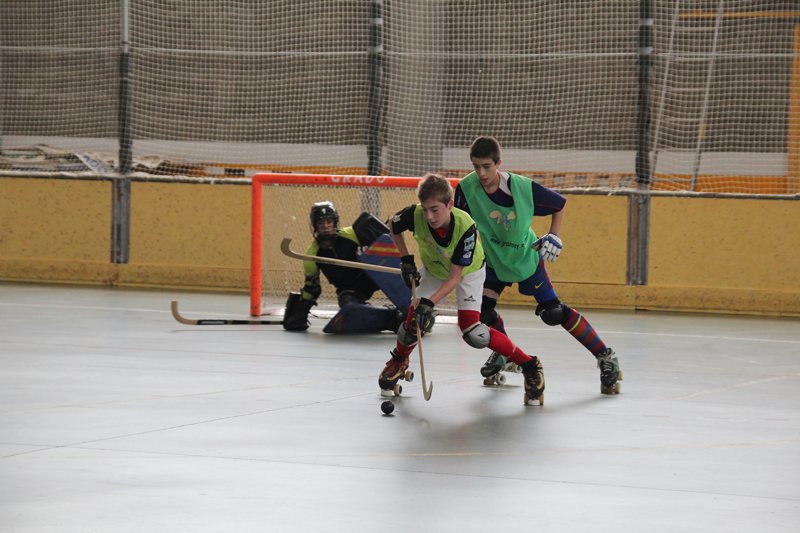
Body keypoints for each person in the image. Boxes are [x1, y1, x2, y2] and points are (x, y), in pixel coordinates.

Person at [454, 136, 622, 394]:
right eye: (476, 167)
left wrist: (554, 235)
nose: (481, 173)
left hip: (526, 259)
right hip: (493, 262)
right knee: (483, 315)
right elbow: (459, 224)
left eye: (487, 166)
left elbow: (559, 204)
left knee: (553, 313)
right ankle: (505, 352)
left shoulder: (522, 188)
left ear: (499, 163)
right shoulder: (466, 189)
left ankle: (606, 355)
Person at [379, 173, 545, 405]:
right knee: (413, 322)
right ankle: (398, 361)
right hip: (435, 268)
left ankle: (529, 364)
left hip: (468, 273)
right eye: (425, 209)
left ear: (449, 204)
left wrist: (429, 303)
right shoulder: (414, 214)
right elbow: (393, 227)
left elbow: (455, 277)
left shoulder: (465, 227)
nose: (429, 216)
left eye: (435, 210)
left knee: (474, 333)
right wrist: (405, 259)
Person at [282, 201, 405, 334]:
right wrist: (300, 312)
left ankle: (410, 305)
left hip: (371, 278)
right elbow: (312, 288)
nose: (326, 226)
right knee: (350, 308)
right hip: (348, 289)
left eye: (329, 222)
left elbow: (383, 241)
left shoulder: (351, 234)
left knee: (388, 269)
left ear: (335, 223)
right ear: (315, 226)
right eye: (321, 223)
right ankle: (393, 319)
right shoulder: (312, 255)